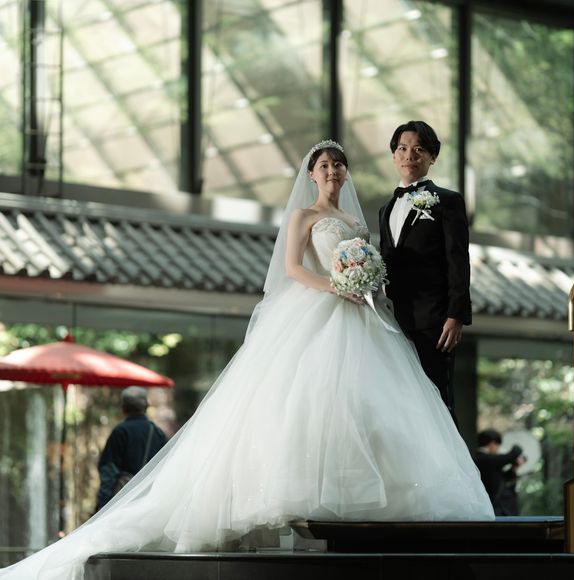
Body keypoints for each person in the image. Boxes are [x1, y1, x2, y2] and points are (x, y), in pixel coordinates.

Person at [0, 140, 493, 580]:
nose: (333, 172)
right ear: (312, 173)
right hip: (321, 311)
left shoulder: (361, 222)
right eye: (324, 165)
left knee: (372, 407)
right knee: (309, 403)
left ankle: (373, 507)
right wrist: (336, 286)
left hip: (364, 316)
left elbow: (383, 265)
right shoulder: (303, 217)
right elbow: (293, 268)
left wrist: (368, 286)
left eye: (339, 165)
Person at [379, 120, 471, 421]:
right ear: (394, 155)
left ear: (433, 156)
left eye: (419, 149)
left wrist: (456, 315)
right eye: (403, 148)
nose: (410, 156)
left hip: (435, 322)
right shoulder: (385, 209)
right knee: (401, 405)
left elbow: (458, 260)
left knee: (437, 401)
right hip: (394, 321)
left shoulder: (448, 201)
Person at [96, 386, 168, 511]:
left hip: (124, 503)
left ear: (123, 408)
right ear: (146, 406)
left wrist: (103, 506)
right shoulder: (158, 434)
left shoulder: (120, 432)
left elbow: (109, 471)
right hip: (150, 503)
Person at [474, 429, 526, 516]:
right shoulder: (482, 458)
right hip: (493, 507)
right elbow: (511, 455)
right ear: (492, 443)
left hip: (498, 506)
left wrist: (514, 467)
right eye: (498, 445)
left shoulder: (489, 460)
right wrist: (516, 449)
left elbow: (501, 478)